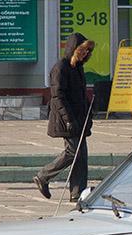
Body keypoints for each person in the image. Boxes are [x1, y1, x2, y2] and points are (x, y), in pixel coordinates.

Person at [34, 33, 95, 202]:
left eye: (88, 51)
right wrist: (68, 119)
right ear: (73, 49)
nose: (85, 53)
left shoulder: (78, 67)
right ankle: (43, 176)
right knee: (72, 152)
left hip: (79, 118)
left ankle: (77, 192)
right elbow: (57, 96)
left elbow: (81, 94)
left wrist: (89, 112)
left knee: (81, 155)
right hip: (66, 119)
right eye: (82, 50)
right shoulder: (60, 68)